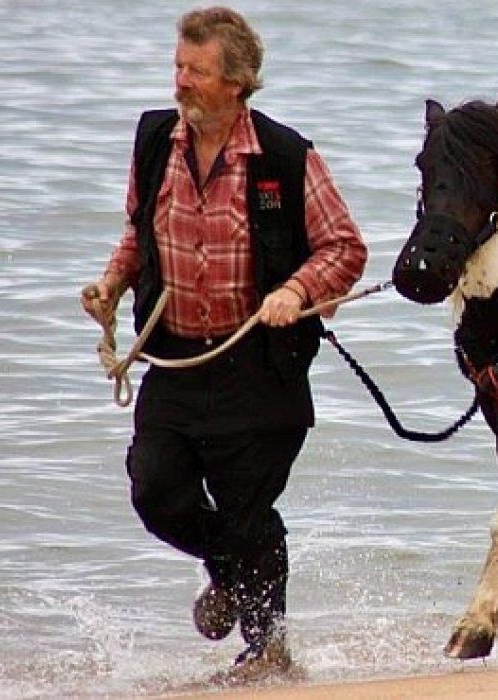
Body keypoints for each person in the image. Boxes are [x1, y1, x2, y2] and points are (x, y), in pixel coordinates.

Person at [79, 6, 367, 683]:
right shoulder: (155, 141)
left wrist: (296, 289)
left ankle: (267, 651)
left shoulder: (285, 157)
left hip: (259, 367)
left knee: (247, 511)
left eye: (197, 71)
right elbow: (138, 232)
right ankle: (234, 576)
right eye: (178, 66)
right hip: (176, 358)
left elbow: (345, 248)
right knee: (155, 490)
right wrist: (112, 282)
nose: (180, 81)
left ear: (236, 82)